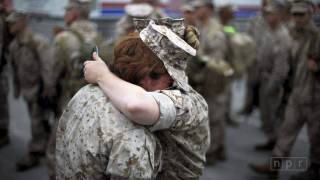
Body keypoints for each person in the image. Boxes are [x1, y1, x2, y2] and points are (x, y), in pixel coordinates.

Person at [56, 18, 210, 179]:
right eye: (169, 76)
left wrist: (103, 75)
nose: (171, 82)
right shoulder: (135, 136)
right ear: (145, 76)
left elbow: (136, 105)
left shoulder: (190, 103)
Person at [250, 1, 320, 179]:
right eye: (295, 14)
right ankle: (274, 166)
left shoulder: (316, 37)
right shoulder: (292, 35)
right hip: (297, 94)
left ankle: (315, 169)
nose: (297, 18)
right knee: (285, 132)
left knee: (316, 138)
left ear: (310, 15)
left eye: (301, 15)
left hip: (315, 97)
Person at [47, 0, 104, 178]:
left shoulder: (63, 38)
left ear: (74, 13)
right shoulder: (99, 37)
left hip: (68, 100)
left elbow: (51, 74)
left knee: (57, 146)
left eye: (67, 10)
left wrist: (49, 95)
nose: (65, 15)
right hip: (93, 101)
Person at [6, 11, 54, 171]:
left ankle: (36, 150)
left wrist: (48, 87)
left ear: (23, 22)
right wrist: (17, 89)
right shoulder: (14, 45)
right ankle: (44, 145)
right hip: (27, 89)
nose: (10, 25)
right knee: (37, 121)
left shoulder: (36, 41)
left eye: (13, 22)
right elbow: (14, 67)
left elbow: (47, 65)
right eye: (9, 22)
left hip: (39, 89)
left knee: (37, 121)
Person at [192, 0, 231, 165]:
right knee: (213, 116)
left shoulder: (214, 31)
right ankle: (219, 149)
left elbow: (216, 64)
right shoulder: (203, 26)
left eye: (198, 7)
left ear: (208, 9)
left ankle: (214, 152)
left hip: (214, 80)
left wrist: (203, 81)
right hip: (206, 79)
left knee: (215, 117)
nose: (195, 10)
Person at [0, 0, 12, 148]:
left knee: (2, 98)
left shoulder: (5, 17)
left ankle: (3, 131)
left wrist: (7, 11)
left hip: (1, 66)